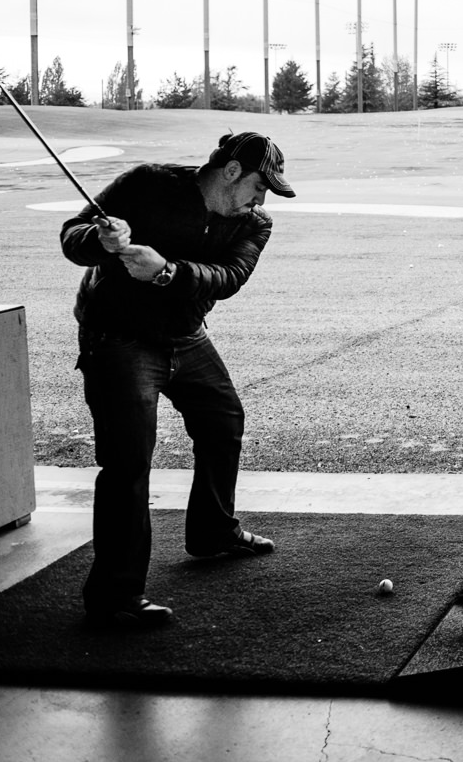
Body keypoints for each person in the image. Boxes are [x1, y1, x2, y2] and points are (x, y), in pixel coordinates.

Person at [60, 131, 297, 627]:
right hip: (119, 338)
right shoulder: (147, 184)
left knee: (223, 420)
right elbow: (73, 237)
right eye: (259, 185)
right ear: (231, 171)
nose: (261, 198)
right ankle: (113, 598)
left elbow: (228, 277)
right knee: (127, 462)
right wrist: (101, 241)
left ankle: (212, 533)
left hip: (185, 336)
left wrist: (166, 272)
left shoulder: (254, 224)